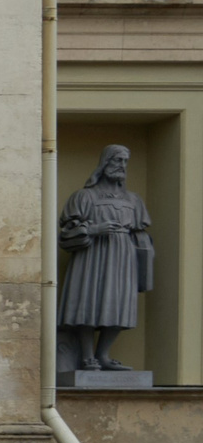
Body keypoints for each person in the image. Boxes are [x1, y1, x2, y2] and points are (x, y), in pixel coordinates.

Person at [59, 145, 155, 373]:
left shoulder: (134, 200)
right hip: (92, 257)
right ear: (104, 163)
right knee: (88, 301)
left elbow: (141, 232)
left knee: (119, 304)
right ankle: (87, 356)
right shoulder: (85, 197)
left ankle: (103, 355)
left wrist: (143, 250)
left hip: (123, 257)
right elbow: (66, 232)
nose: (121, 166)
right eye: (117, 161)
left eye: (125, 162)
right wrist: (93, 229)